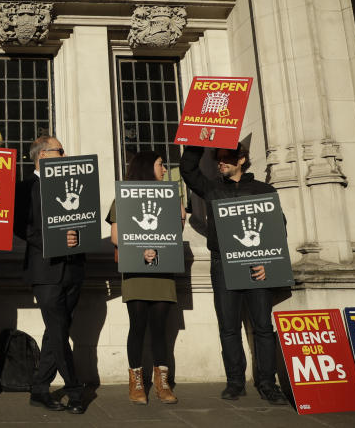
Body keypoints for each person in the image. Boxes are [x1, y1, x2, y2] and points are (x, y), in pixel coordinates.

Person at [179, 130, 288, 405]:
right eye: (218, 158)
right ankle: (235, 383)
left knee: (263, 327)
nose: (220, 162)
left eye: (226, 157)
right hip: (223, 265)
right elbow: (188, 170)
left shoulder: (264, 190)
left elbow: (279, 228)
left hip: (256, 265)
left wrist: (269, 265)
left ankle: (267, 383)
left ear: (242, 159)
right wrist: (199, 137)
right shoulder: (213, 188)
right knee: (228, 327)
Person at [13, 135, 85, 414]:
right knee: (57, 330)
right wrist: (54, 239)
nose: (65, 156)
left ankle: (40, 388)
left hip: (74, 267)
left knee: (57, 331)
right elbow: (21, 228)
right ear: (42, 156)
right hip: (45, 270)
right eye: (60, 151)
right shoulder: (25, 187)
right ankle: (75, 389)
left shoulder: (73, 183)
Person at [106, 151, 182, 405]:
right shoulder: (124, 198)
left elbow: (175, 230)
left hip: (162, 270)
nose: (164, 168)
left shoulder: (169, 196)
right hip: (136, 269)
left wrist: (177, 206)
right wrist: (143, 248)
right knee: (138, 326)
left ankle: (162, 383)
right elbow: (116, 237)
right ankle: (136, 381)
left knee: (160, 329)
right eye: (161, 164)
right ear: (147, 167)